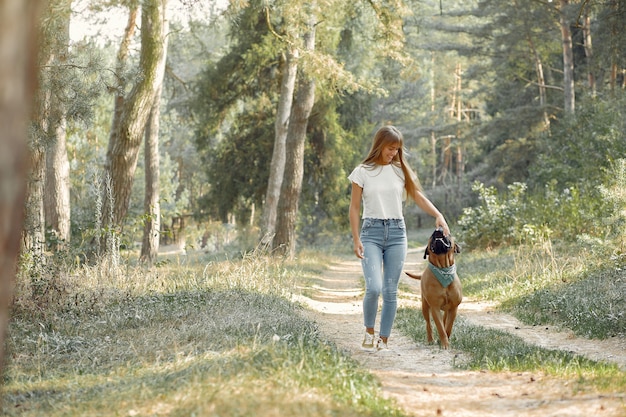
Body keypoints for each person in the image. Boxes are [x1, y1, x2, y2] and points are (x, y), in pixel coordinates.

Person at [348, 125, 450, 352]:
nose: (393, 153)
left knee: (391, 290)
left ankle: (383, 340)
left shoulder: (400, 170)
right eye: (390, 148)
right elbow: (354, 208)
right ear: (380, 145)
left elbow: (418, 196)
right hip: (371, 232)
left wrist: (438, 214)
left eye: (397, 149)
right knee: (374, 287)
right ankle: (369, 330)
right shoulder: (362, 171)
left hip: (396, 233)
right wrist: (356, 239)